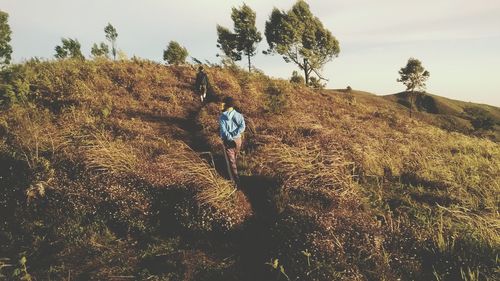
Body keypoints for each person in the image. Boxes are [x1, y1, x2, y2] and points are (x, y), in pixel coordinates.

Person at [219, 96, 245, 185]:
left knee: (231, 162)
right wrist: (234, 134)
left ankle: (235, 182)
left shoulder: (222, 117)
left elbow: (223, 130)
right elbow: (242, 127)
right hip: (238, 140)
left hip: (228, 141)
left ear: (226, 105)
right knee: (235, 157)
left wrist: (230, 137)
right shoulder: (239, 115)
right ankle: (236, 176)